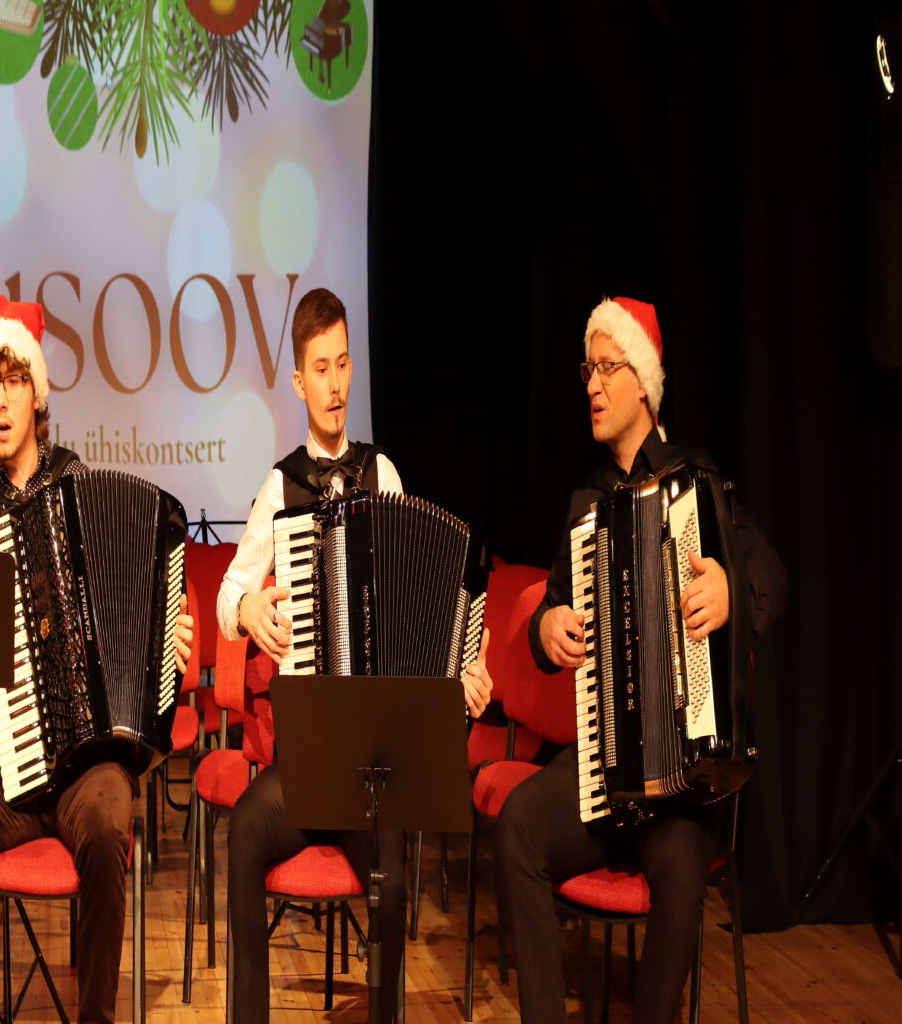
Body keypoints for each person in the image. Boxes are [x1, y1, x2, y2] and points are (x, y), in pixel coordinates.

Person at [496, 296, 785, 1024]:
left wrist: (730, 588)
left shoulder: (699, 481)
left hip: (681, 784)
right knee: (519, 825)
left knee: (682, 874)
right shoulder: (587, 503)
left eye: (606, 368)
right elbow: (547, 615)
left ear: (644, 382)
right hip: (604, 770)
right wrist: (548, 628)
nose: (591, 385)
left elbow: (771, 576)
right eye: (586, 370)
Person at [219, 287, 493, 1024]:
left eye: (344, 364)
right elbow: (228, 594)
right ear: (298, 381)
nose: (337, 383)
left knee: (392, 880)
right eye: (322, 368)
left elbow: (424, 606)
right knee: (244, 833)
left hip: (374, 771)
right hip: (309, 764)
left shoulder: (384, 476)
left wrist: (461, 667)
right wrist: (247, 610)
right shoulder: (280, 488)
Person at [0, 295, 194, 1024]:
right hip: (12, 761)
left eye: (14, 382)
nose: (0, 400)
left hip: (88, 764)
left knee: (108, 827)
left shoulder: (78, 486)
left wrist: (168, 635)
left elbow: (144, 604)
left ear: (37, 397)